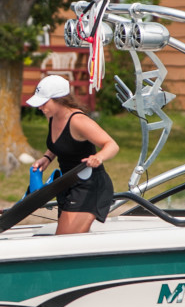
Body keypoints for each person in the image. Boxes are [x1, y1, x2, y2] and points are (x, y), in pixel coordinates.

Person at [26, 75, 119, 235]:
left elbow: (111, 145)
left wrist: (99, 157)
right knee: (67, 240)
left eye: (43, 102)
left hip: (89, 186)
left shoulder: (78, 121)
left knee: (64, 240)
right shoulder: (53, 117)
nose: (39, 107)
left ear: (59, 99)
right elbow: (63, 143)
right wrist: (47, 158)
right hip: (68, 184)